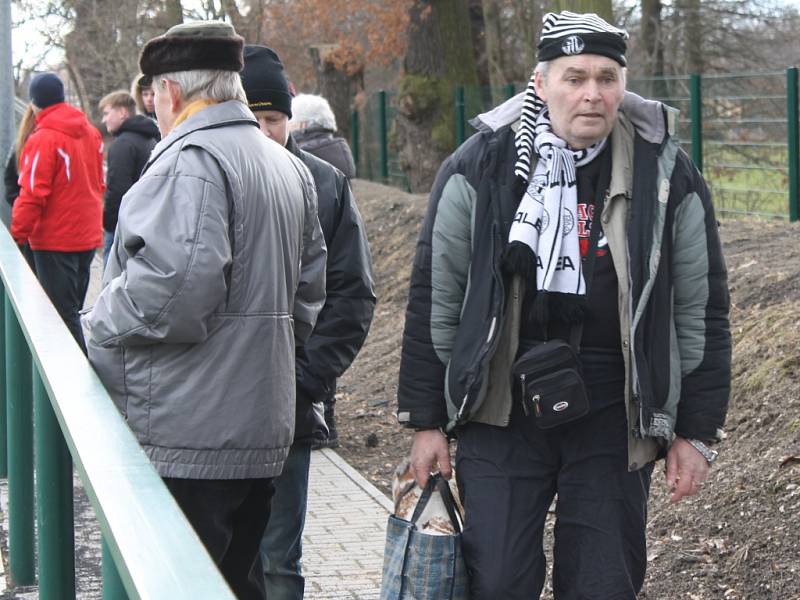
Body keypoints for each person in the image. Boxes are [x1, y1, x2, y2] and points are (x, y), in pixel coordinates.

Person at [398, 11, 731, 599]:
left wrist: (696, 431)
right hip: (500, 403)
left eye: (607, 77)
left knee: (604, 582)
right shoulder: (481, 166)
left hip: (613, 404)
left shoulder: (665, 172)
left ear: (624, 84)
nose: (592, 93)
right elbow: (436, 298)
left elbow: (700, 308)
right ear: (541, 82)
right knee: (496, 580)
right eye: (574, 76)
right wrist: (427, 421)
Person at [81, 22, 326, 600]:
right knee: (238, 582)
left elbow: (170, 295)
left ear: (169, 93)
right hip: (257, 429)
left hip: (188, 431)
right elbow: (309, 291)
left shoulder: (189, 162)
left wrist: (93, 325)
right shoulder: (284, 165)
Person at [240, 45, 376, 599]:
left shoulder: (324, 185)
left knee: (279, 560)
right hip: (216, 413)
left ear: (289, 116)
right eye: (253, 119)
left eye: (273, 118)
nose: (265, 131)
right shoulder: (210, 179)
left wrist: (305, 379)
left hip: (289, 410)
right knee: (226, 558)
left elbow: (352, 295)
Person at [12, 73, 104, 353]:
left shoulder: (44, 139)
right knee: (71, 310)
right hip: (86, 237)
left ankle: (81, 384)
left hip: (55, 240)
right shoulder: (90, 132)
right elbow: (99, 183)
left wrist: (16, 235)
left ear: (35, 103)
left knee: (60, 318)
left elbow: (32, 194)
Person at [98, 90, 159, 268]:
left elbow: (118, 190)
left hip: (122, 228)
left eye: (107, 113)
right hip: (146, 225)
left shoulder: (123, 145)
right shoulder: (150, 139)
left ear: (123, 112)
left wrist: (108, 224)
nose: (104, 120)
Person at [290, 93, 356, 179]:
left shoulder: (300, 156)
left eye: (289, 119)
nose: (286, 124)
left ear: (302, 124)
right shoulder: (339, 151)